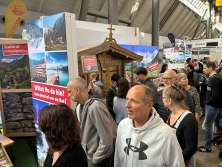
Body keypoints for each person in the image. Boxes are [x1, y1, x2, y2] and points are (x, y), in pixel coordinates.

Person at [114, 85, 185, 167]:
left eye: (134, 101)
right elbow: (118, 159)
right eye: (127, 99)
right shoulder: (123, 125)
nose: (127, 105)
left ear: (149, 105)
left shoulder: (165, 134)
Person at [67, 77, 117, 167]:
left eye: (69, 91)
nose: (68, 95)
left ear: (77, 89)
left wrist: (95, 160)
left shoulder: (95, 107)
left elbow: (106, 140)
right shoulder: (79, 106)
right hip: (89, 158)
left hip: (98, 161)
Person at [163, 84, 198, 166]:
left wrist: (175, 161)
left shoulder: (189, 119)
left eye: (163, 98)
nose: (162, 100)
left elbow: (191, 148)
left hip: (182, 161)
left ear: (169, 101)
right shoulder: (169, 113)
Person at [197, 62, 222, 152]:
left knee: (208, 124)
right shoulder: (215, 78)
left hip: (212, 106)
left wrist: (208, 102)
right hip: (215, 106)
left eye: (205, 68)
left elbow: (215, 95)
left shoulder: (214, 79)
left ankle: (207, 146)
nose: (203, 70)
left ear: (210, 68)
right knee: (218, 123)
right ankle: (219, 140)